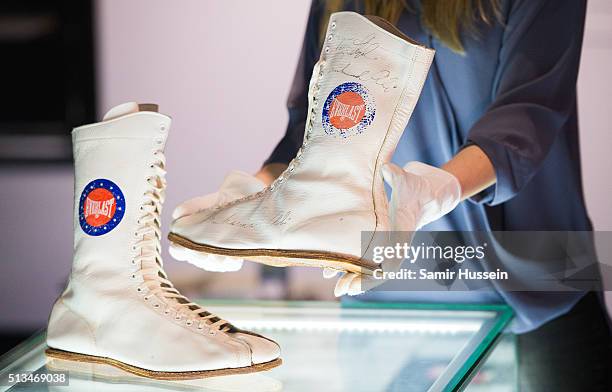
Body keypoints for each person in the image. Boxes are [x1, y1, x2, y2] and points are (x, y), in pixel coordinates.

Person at [250, 0, 611, 390]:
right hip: (390, 289)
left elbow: (528, 111)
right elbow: (312, 127)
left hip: (542, 275)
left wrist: (438, 189)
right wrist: (256, 193)